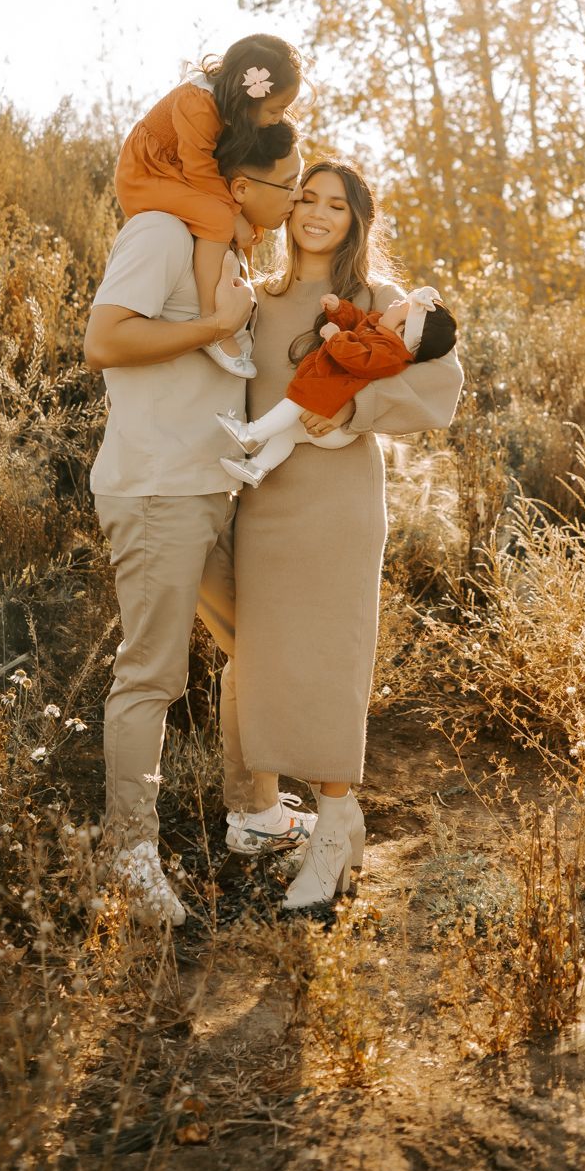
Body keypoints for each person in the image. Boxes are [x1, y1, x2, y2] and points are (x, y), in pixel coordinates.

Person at [84, 115, 309, 926]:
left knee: (264, 643)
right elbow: (104, 340)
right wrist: (213, 327)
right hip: (154, 490)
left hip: (211, 489)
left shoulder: (234, 252)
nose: (296, 196)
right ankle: (127, 856)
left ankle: (253, 814)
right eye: (290, 182)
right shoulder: (158, 233)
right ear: (243, 186)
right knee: (151, 675)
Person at [232, 160, 464, 913]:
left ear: (356, 218)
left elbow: (441, 389)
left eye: (335, 204)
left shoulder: (381, 300)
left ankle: (332, 829)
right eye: (305, 199)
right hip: (261, 501)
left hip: (337, 502)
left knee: (331, 659)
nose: (317, 213)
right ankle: (274, 815)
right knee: (265, 658)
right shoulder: (255, 299)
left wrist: (353, 414)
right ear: (287, 210)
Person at [113, 34, 302, 377]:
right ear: (249, 95)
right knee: (217, 216)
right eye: (276, 109)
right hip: (147, 174)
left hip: (175, 172)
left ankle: (242, 290)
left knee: (242, 218)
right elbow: (198, 168)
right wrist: (232, 215)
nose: (279, 117)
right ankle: (212, 321)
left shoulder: (227, 109)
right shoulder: (197, 102)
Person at [216, 286, 457, 487]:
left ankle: (252, 434)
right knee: (286, 433)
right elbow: (358, 321)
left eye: (399, 306)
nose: (393, 303)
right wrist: (339, 311)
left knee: (298, 396)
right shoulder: (379, 329)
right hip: (328, 430)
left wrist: (335, 337)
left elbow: (360, 359)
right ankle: (257, 468)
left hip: (337, 424)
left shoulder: (390, 353)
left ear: (402, 330)